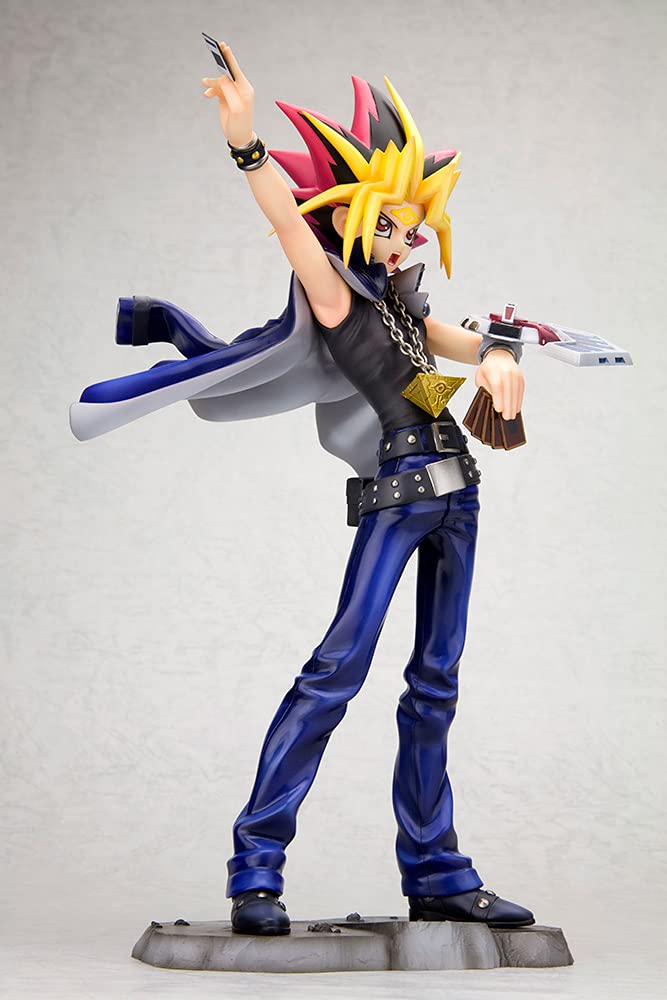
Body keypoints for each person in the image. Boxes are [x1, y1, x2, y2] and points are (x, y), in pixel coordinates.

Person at [70, 42, 531, 937]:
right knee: (334, 673)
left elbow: (464, 344)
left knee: (436, 685)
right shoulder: (338, 299)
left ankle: (436, 872)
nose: (406, 238)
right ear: (351, 216)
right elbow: (288, 223)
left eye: (415, 225)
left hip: (459, 496)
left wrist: (502, 353)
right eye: (391, 223)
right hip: (399, 493)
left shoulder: (402, 304)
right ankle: (255, 869)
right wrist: (245, 144)